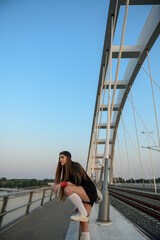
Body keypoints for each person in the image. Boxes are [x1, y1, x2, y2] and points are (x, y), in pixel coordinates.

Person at [52, 151, 98, 240]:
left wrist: (60, 184)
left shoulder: (75, 165)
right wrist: (78, 206)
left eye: (62, 157)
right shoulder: (66, 170)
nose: (60, 159)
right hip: (84, 194)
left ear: (68, 158)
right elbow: (76, 189)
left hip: (89, 191)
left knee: (67, 189)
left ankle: (83, 213)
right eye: (59, 158)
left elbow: (75, 183)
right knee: (83, 222)